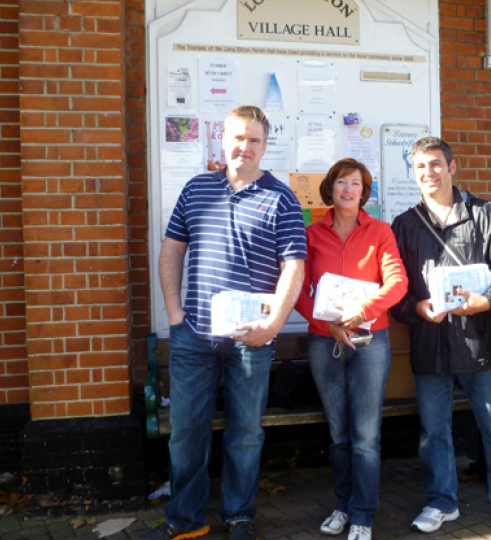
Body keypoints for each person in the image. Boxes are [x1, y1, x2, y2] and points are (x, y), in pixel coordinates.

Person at [142, 106, 307, 540]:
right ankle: (185, 518)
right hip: (193, 336)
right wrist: (175, 313)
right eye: (237, 137)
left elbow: (294, 267)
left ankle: (239, 516)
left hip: (252, 339)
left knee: (245, 433)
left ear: (265, 146)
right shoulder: (196, 189)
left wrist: (274, 325)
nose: (244, 147)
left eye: (254, 140)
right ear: (223, 139)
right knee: (186, 433)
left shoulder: (282, 198)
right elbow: (172, 250)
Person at [390, 137, 491, 540]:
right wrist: (416, 307)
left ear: (452, 167)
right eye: (420, 166)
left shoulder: (482, 214)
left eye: (436, 164)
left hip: (479, 342)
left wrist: (487, 301)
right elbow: (395, 287)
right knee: (433, 432)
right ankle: (441, 502)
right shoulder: (404, 224)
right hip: (429, 343)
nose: (428, 173)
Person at [295, 158, 408, 540]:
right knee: (339, 434)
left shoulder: (380, 232)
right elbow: (297, 289)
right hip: (324, 341)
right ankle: (342, 506)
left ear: (364, 192)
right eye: (341, 182)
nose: (347, 189)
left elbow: (397, 282)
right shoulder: (312, 234)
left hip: (369, 342)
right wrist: (325, 322)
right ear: (330, 188)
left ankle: (362, 515)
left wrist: (363, 312)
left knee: (365, 437)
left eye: (355, 183)